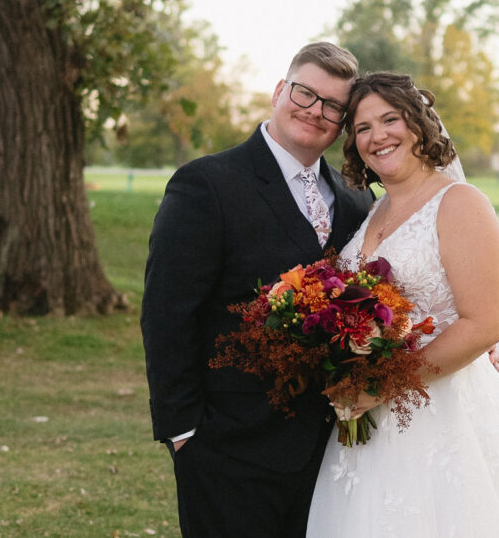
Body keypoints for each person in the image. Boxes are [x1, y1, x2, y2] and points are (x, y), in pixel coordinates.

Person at [140, 42, 374, 537]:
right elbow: (167, 314)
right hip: (227, 447)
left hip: (329, 452)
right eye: (305, 93)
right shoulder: (206, 184)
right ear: (279, 91)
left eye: (333, 106)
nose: (316, 111)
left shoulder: (356, 201)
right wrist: (184, 434)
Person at [307, 72, 499, 537]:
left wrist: (380, 386)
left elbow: (483, 325)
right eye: (362, 128)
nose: (377, 135)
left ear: (419, 123)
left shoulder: (460, 203)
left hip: (446, 417)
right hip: (366, 422)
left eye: (390, 119)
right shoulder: (372, 210)